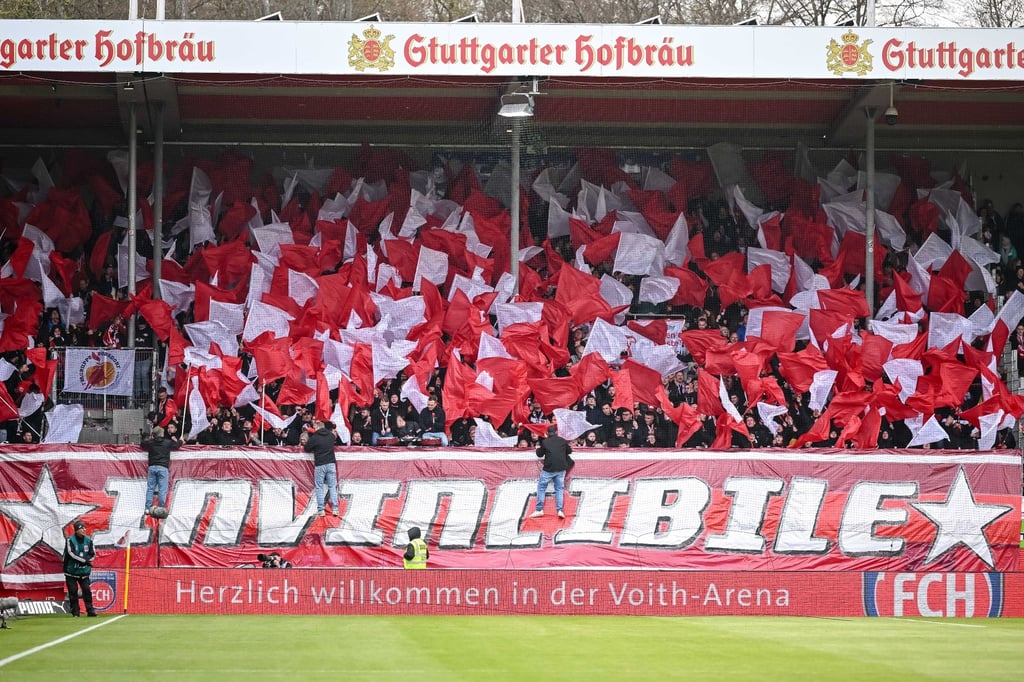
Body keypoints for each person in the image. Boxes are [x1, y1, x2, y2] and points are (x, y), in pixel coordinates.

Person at [530, 425, 573, 519]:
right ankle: (560, 510)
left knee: (541, 487)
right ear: (556, 432)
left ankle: (539, 510)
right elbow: (569, 451)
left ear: (547, 433)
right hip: (561, 469)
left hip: (549, 469)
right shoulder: (562, 440)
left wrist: (538, 448)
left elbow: (539, 454)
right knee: (559, 489)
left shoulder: (545, 442)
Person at [141, 426, 180, 515]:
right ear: (162, 434)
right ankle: (161, 508)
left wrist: (148, 438)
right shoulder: (167, 442)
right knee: (162, 489)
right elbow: (177, 445)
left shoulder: (150, 443)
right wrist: (179, 440)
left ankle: (147, 508)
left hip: (152, 467)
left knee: (150, 488)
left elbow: (142, 444)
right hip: (163, 468)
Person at [304, 420, 339, 517]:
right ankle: (335, 509)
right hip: (331, 463)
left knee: (319, 487)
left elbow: (306, 448)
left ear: (317, 427)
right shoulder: (331, 436)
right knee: (332, 486)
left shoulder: (315, 437)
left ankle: (321, 509)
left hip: (320, 464)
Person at [63, 520, 96, 617]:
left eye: (84, 528)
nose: (84, 530)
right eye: (81, 528)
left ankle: (90, 611)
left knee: (87, 591)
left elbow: (93, 554)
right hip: (71, 571)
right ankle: (75, 612)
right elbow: (71, 553)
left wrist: (88, 560)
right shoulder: (70, 540)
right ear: (76, 530)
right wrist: (83, 561)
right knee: (73, 592)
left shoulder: (89, 540)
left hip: (84, 572)